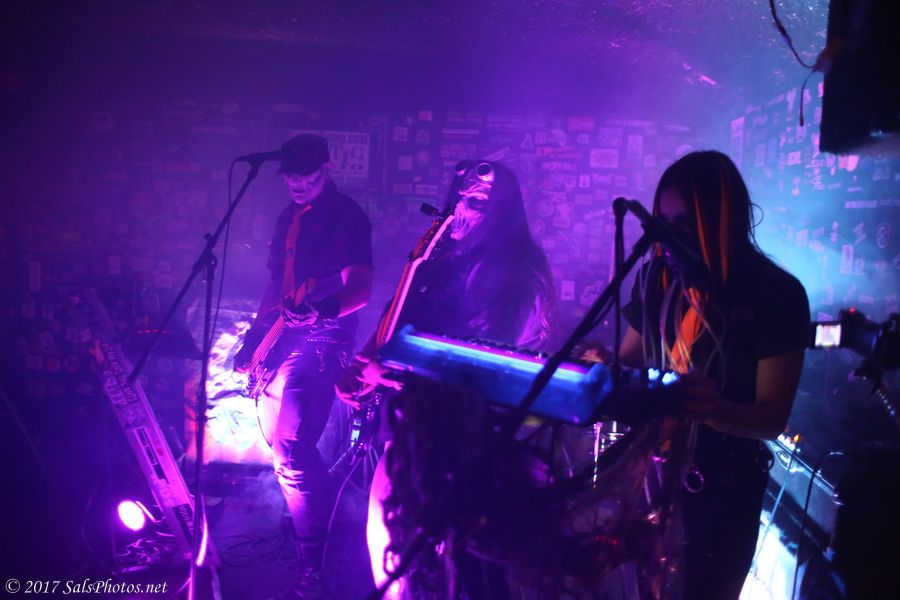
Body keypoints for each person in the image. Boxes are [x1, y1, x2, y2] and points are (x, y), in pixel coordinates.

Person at [335, 160, 555, 596]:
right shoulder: (442, 257)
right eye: (458, 199)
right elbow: (399, 312)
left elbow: (483, 364)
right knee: (392, 557)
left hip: (471, 443)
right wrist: (365, 360)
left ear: (503, 210)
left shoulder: (517, 270)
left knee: (448, 570)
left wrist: (392, 373)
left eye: (477, 202)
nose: (461, 211)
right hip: (414, 429)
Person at [618, 150, 810, 599]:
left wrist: (713, 409)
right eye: (663, 223)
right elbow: (628, 359)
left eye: (684, 224)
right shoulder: (655, 279)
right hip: (655, 475)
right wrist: (596, 369)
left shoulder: (776, 293)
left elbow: (772, 417)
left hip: (723, 490)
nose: (669, 237)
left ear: (723, 219)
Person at [233, 134, 373, 599]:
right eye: (291, 177)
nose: (297, 184)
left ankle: (314, 567)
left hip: (323, 338)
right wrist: (255, 337)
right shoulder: (287, 218)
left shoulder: (347, 215)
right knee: (283, 452)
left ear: (327, 169)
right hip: (281, 337)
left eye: (307, 176)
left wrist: (323, 311)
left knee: (291, 453)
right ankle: (330, 534)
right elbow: (277, 284)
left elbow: (361, 289)